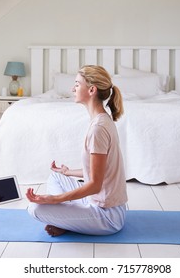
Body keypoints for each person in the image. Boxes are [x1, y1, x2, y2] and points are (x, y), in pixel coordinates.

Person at [26, 65, 127, 237]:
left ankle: (67, 220)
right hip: (99, 202)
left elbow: (95, 184)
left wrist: (53, 199)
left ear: (92, 90)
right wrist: (68, 172)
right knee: (56, 176)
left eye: (77, 84)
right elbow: (100, 172)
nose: (73, 89)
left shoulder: (98, 128)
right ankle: (68, 219)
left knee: (34, 208)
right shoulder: (102, 119)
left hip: (108, 216)